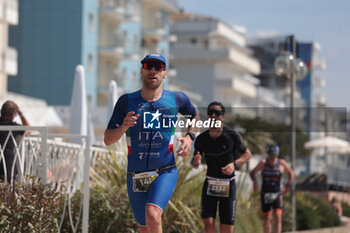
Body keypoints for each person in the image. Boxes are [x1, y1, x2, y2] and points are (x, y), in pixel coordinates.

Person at [104, 54, 200, 233]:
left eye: (158, 67)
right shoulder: (126, 101)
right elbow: (108, 139)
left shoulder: (176, 99)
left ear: (164, 73)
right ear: (142, 71)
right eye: (149, 66)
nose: (153, 70)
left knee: (153, 214)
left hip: (165, 171)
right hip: (136, 175)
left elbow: (194, 117)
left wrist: (189, 138)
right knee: (145, 227)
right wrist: (123, 127)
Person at [191, 101, 252, 233]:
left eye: (217, 113)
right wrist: (195, 161)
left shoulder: (232, 135)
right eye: (211, 113)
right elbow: (194, 161)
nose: (214, 115)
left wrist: (234, 164)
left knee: (226, 229)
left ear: (223, 116)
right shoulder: (201, 139)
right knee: (208, 224)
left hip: (228, 185)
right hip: (210, 184)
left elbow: (247, 154)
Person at [249, 144, 294, 233]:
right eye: (270, 154)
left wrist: (288, 185)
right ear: (268, 154)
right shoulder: (263, 163)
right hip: (265, 193)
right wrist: (255, 183)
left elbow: (291, 173)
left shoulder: (281, 163)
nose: (272, 157)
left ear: (277, 154)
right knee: (267, 217)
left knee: (278, 215)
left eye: (274, 154)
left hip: (277, 193)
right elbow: (252, 173)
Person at [0, 100, 30, 183]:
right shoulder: (13, 126)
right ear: (14, 115)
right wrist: (21, 113)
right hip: (7, 164)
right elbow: (29, 130)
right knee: (9, 190)